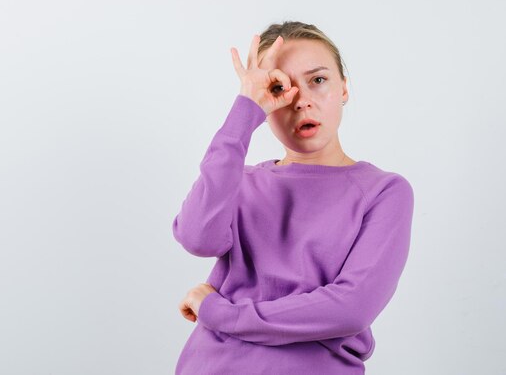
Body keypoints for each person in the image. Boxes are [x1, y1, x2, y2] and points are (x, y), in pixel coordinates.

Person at [171, 21, 415, 374]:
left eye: (318, 80)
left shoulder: (384, 192)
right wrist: (244, 110)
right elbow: (196, 237)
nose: (302, 102)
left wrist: (220, 312)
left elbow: (350, 308)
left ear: (344, 88)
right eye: (279, 87)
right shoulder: (238, 180)